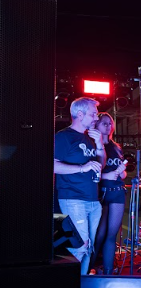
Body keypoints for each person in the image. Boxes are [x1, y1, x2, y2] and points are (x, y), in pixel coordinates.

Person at [54, 97, 106, 274]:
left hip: (92, 199)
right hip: (73, 198)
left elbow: (100, 165)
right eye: (93, 114)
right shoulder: (64, 136)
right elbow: (52, 165)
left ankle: (81, 285)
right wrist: (82, 168)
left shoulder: (89, 137)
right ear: (80, 114)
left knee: (88, 247)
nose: (96, 118)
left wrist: (99, 144)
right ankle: (67, 285)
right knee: (79, 246)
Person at [90, 113, 128, 275]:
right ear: (96, 125)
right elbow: (91, 172)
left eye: (110, 123)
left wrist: (122, 172)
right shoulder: (93, 145)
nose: (107, 126)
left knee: (112, 235)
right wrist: (107, 176)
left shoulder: (116, 147)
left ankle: (108, 272)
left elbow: (121, 173)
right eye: (103, 123)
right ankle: (87, 269)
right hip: (102, 193)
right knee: (99, 235)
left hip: (118, 192)